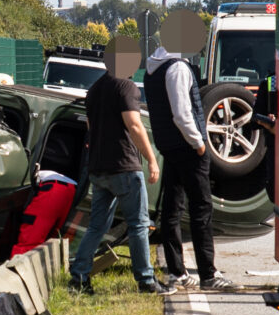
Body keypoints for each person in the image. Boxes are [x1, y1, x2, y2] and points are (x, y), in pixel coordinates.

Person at [67, 42, 162, 295]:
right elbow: (134, 124)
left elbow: (90, 126)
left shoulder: (95, 89)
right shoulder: (126, 86)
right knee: (139, 224)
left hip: (98, 168)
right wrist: (151, 160)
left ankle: (78, 278)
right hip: (124, 167)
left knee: (97, 226)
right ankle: (146, 281)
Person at [145, 42, 228, 291]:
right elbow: (181, 113)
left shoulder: (152, 69)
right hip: (188, 148)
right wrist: (198, 143)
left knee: (172, 209)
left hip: (169, 146)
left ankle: (177, 272)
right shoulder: (177, 68)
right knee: (201, 208)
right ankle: (208, 275)